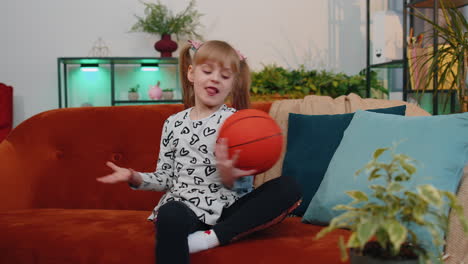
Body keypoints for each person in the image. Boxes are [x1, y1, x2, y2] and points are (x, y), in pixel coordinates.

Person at [97, 40, 302, 264]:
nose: (215, 78)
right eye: (207, 71)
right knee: (169, 213)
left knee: (289, 187)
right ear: (192, 74)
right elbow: (165, 178)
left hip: (230, 209)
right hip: (187, 208)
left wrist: (229, 175)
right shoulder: (172, 124)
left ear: (232, 84)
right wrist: (133, 177)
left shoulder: (239, 122)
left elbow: (245, 184)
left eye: (225, 76)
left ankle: (210, 238)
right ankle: (204, 235)